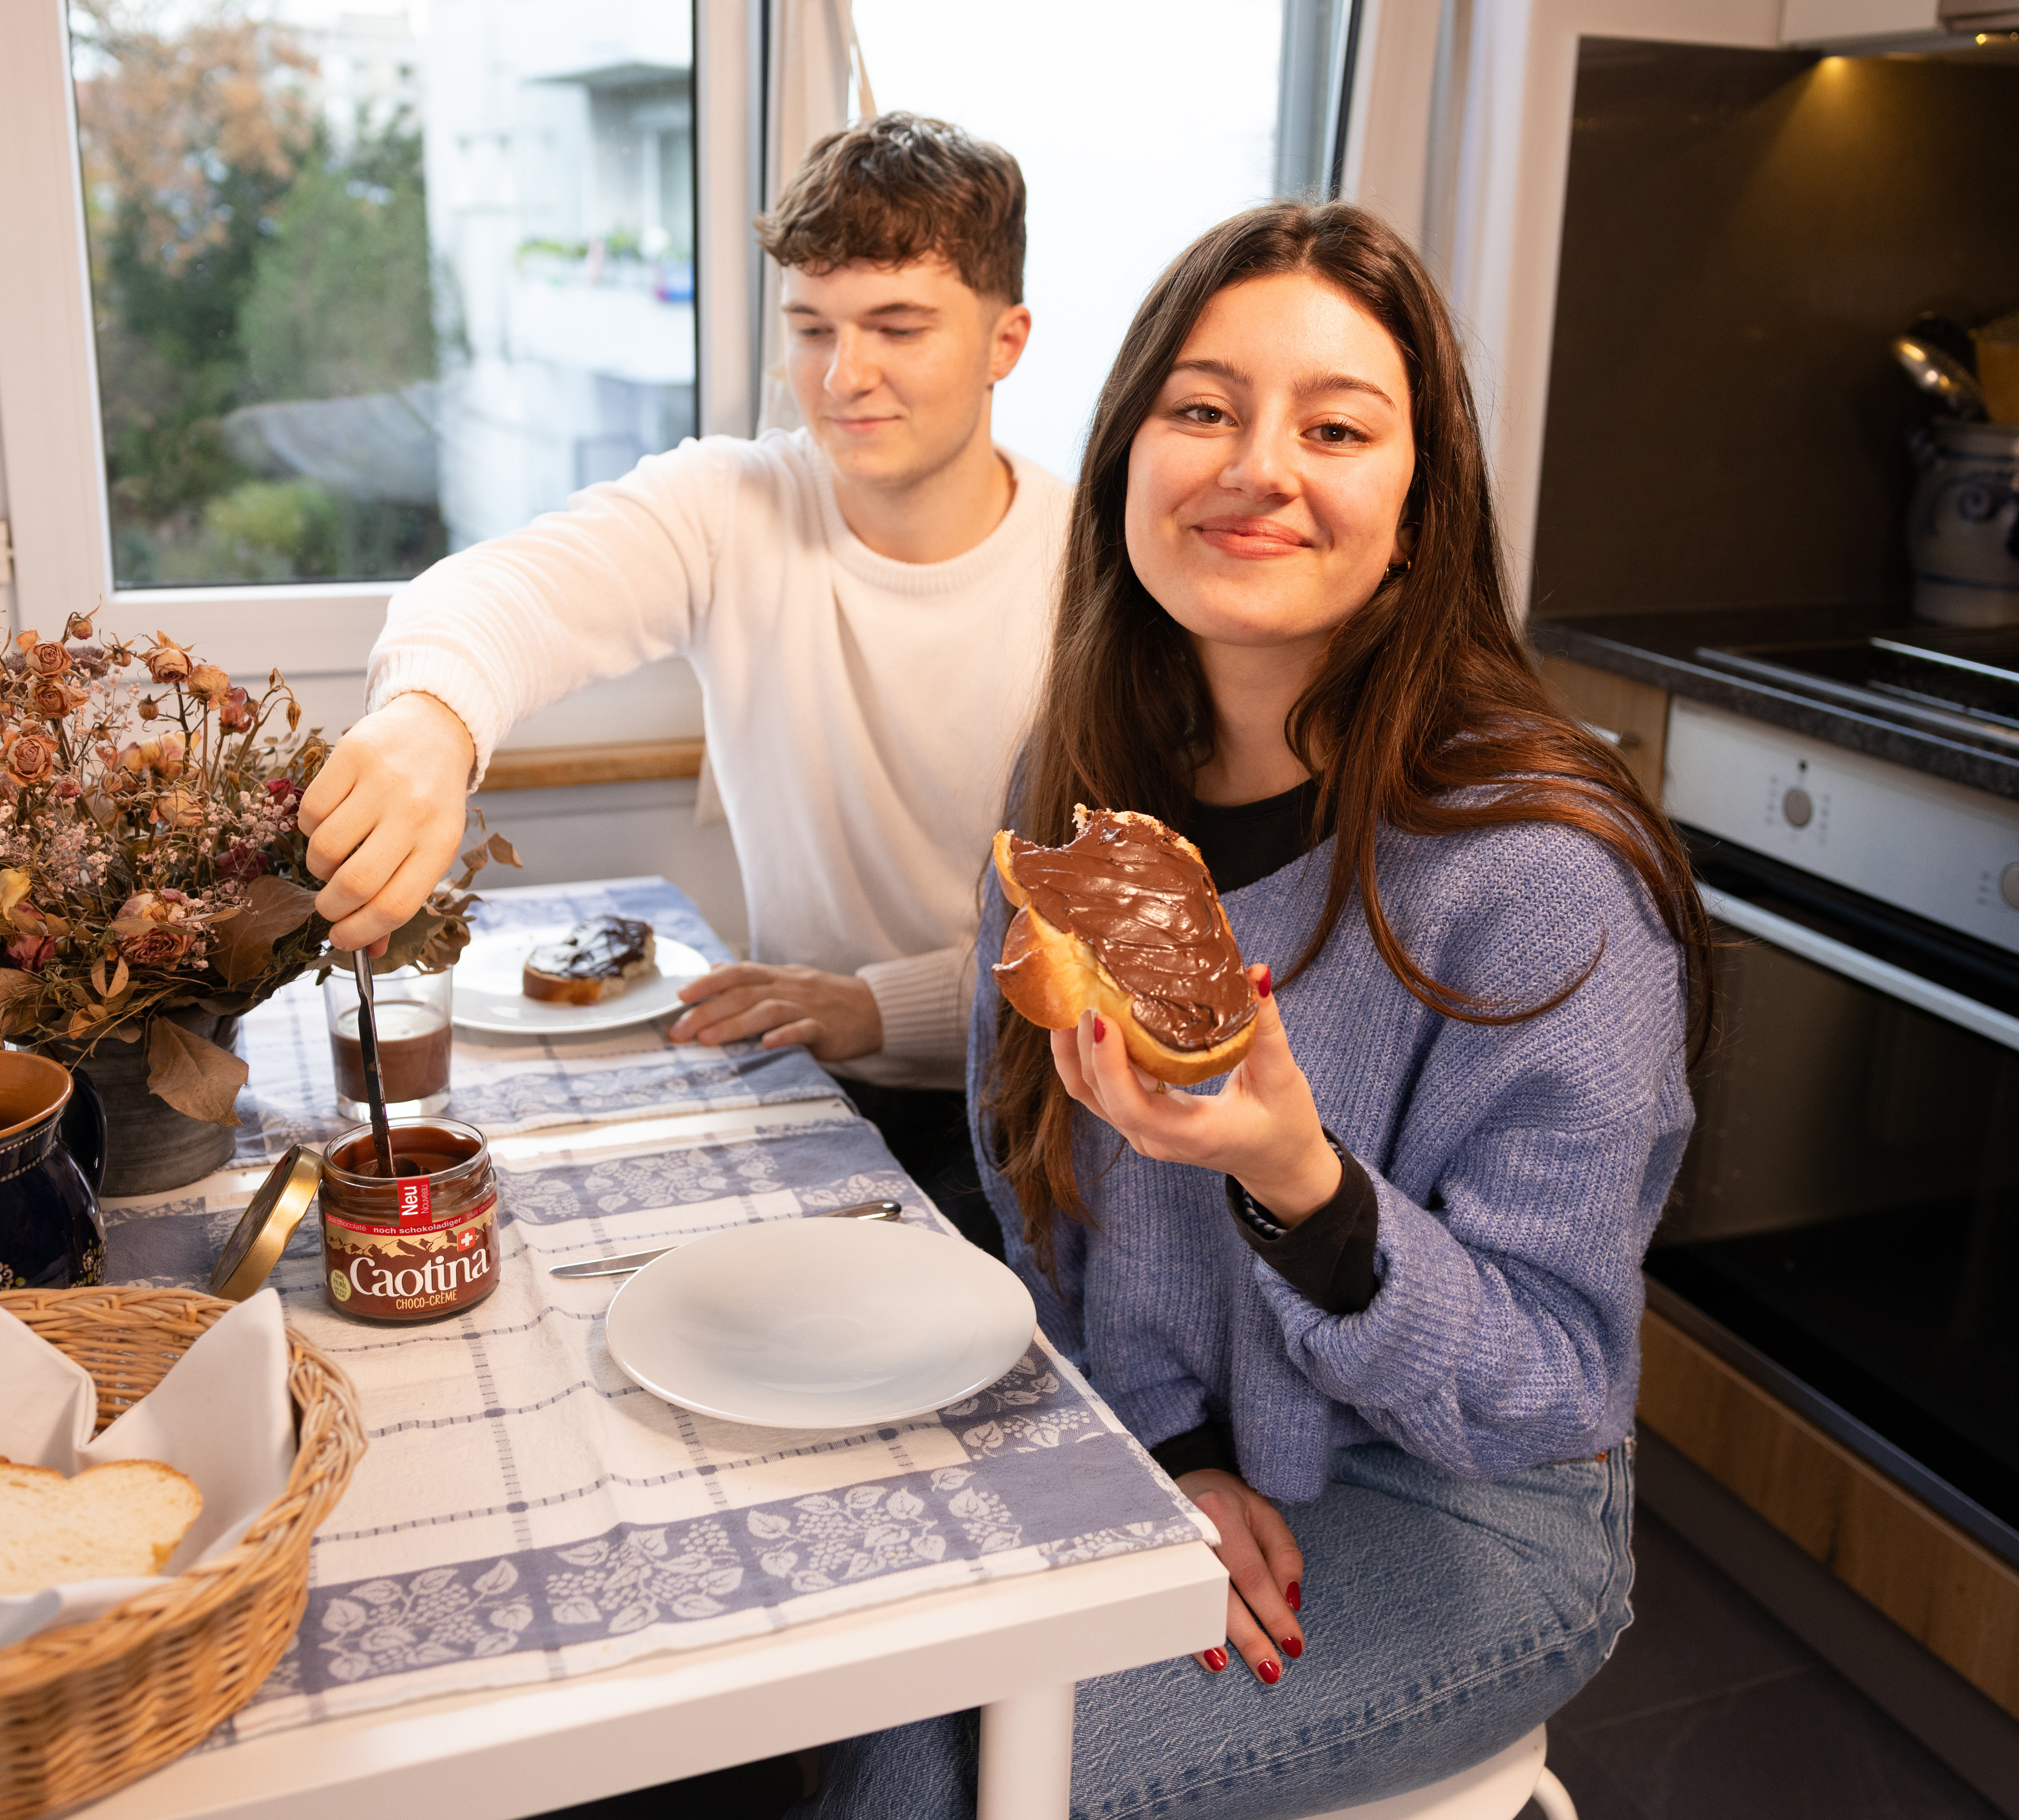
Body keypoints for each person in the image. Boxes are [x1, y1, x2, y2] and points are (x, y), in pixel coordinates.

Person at [794, 201, 1710, 1817]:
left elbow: (1556, 1378)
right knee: (831, 1694)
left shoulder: (1541, 873)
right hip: (1178, 1444)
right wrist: (1164, 1455)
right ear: (1129, 459)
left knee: (925, 1791)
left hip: (1463, 1510)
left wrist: (1309, 1188)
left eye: (1338, 426)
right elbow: (1037, 1183)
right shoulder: (1082, 804)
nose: (1256, 466)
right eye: (1202, 409)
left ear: (1420, 514)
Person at [297, 113, 1062, 1254]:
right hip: (804, 1074)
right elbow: (505, 593)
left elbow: (1104, 942)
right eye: (812, 328)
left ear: (1007, 340)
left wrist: (875, 1005)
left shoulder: (1095, 564)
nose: (845, 377)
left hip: (1037, 1108)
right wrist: (428, 724)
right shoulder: (732, 504)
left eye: (898, 326)